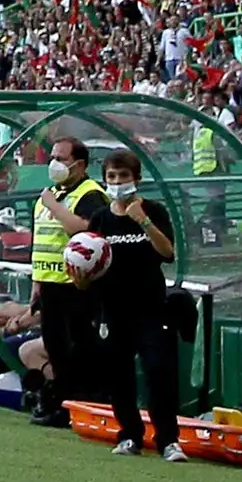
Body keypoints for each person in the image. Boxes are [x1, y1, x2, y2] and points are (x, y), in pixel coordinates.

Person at [79, 144, 183, 456]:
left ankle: (168, 440)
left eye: (123, 175)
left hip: (150, 309)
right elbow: (88, 265)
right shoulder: (99, 219)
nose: (117, 181)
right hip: (112, 311)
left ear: (136, 178)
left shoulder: (153, 211)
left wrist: (144, 222)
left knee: (157, 372)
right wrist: (81, 277)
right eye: (112, 176)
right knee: (119, 376)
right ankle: (130, 435)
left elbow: (168, 253)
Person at [23, 134, 106, 429]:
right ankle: (61, 403)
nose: (55, 163)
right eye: (53, 158)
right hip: (49, 285)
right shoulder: (50, 194)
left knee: (78, 349)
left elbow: (83, 231)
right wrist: (37, 283)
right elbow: (41, 241)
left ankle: (81, 406)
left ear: (80, 164)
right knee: (56, 349)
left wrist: (54, 205)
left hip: (77, 287)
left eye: (61, 158)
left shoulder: (89, 194)